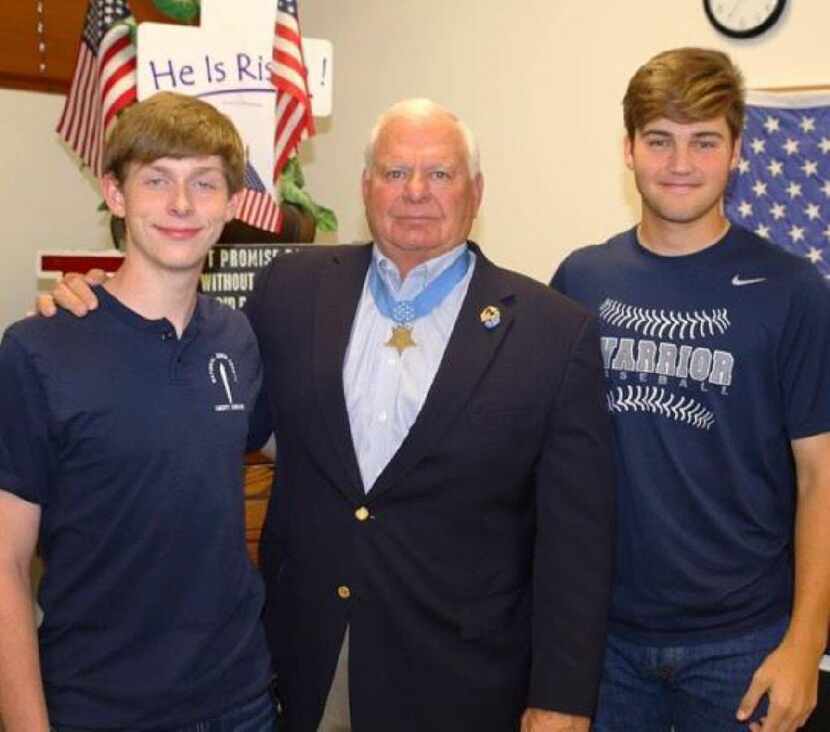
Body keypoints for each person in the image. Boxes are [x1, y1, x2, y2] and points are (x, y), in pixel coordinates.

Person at [39, 98, 616, 732]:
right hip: (300, 664)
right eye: (395, 173)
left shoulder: (554, 332)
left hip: (465, 678)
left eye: (440, 174)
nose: (415, 192)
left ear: (476, 190)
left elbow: (577, 540)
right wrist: (103, 300)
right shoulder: (291, 290)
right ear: (366, 186)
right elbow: (201, 384)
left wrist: (561, 700)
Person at [551, 48, 830, 732]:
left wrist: (805, 645)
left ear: (737, 151)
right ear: (628, 148)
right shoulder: (579, 281)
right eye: (660, 140)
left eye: (704, 141)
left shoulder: (794, 292)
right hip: (604, 639)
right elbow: (546, 468)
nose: (680, 164)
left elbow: (822, 477)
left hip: (744, 643)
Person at [0, 92, 276, 731]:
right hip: (100, 708)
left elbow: (305, 451)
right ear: (116, 196)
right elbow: (7, 565)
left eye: (204, 183)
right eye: (157, 180)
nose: (182, 205)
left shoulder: (238, 338)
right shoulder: (38, 350)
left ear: (232, 205)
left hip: (241, 704)